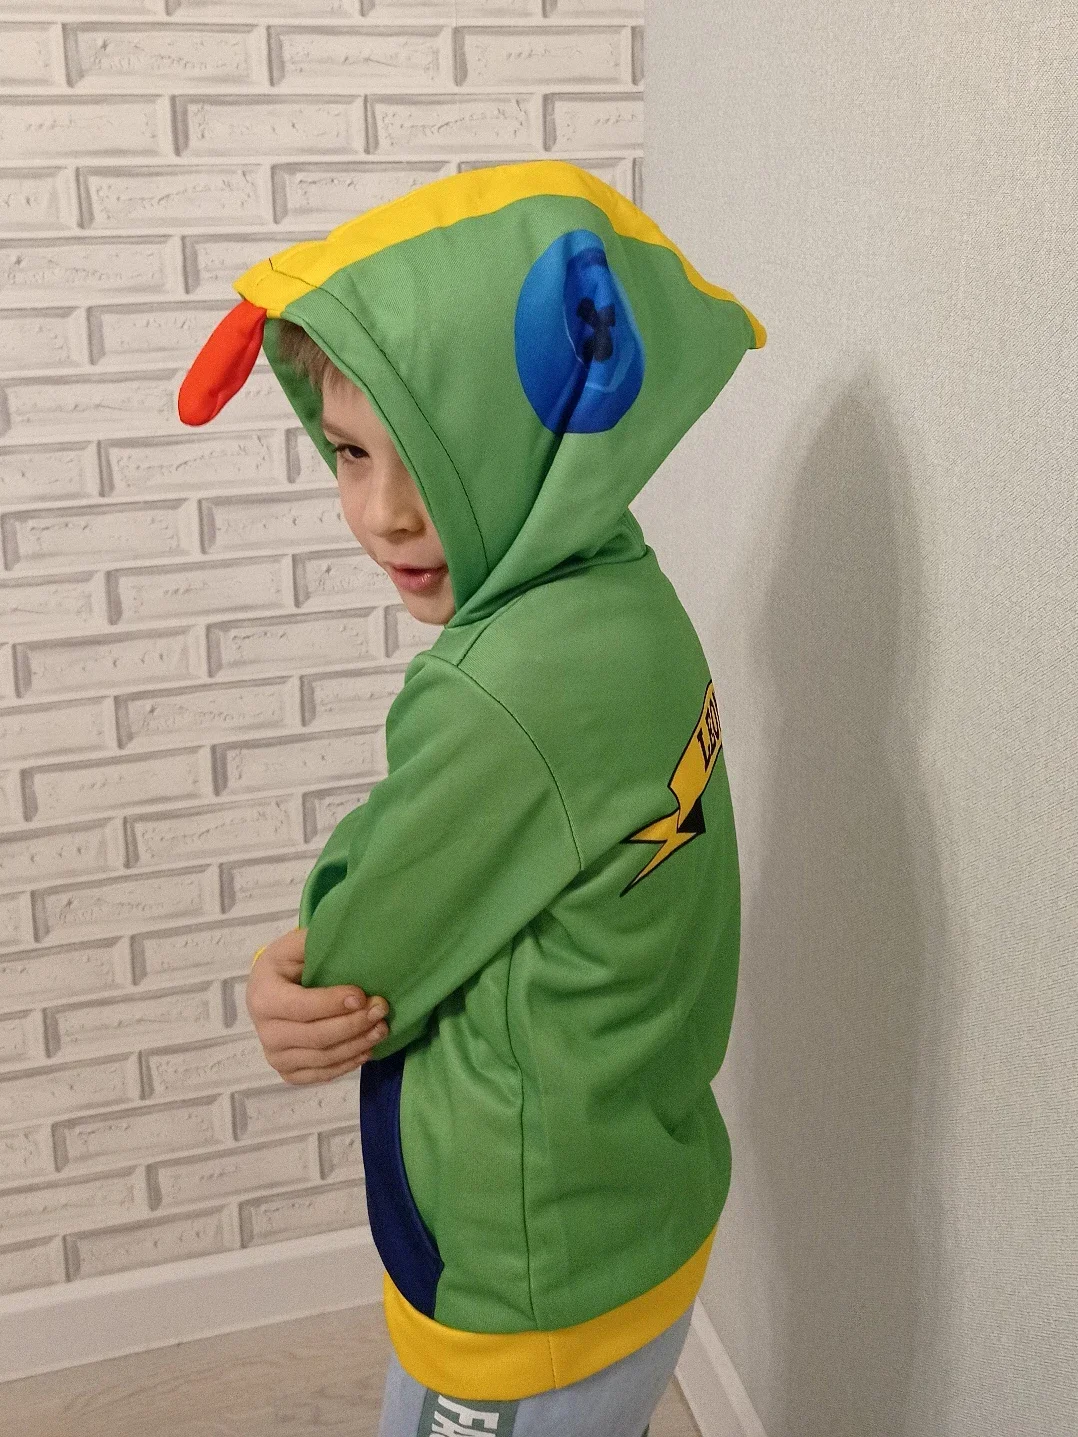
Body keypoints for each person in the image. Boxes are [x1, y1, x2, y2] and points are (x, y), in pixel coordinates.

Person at [177, 158, 765, 1437]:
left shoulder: (502, 692)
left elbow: (353, 962)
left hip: (527, 1272)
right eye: (348, 454)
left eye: (439, 460)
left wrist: (293, 963)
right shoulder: (624, 595)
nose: (384, 515)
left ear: (542, 429)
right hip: (633, 1199)